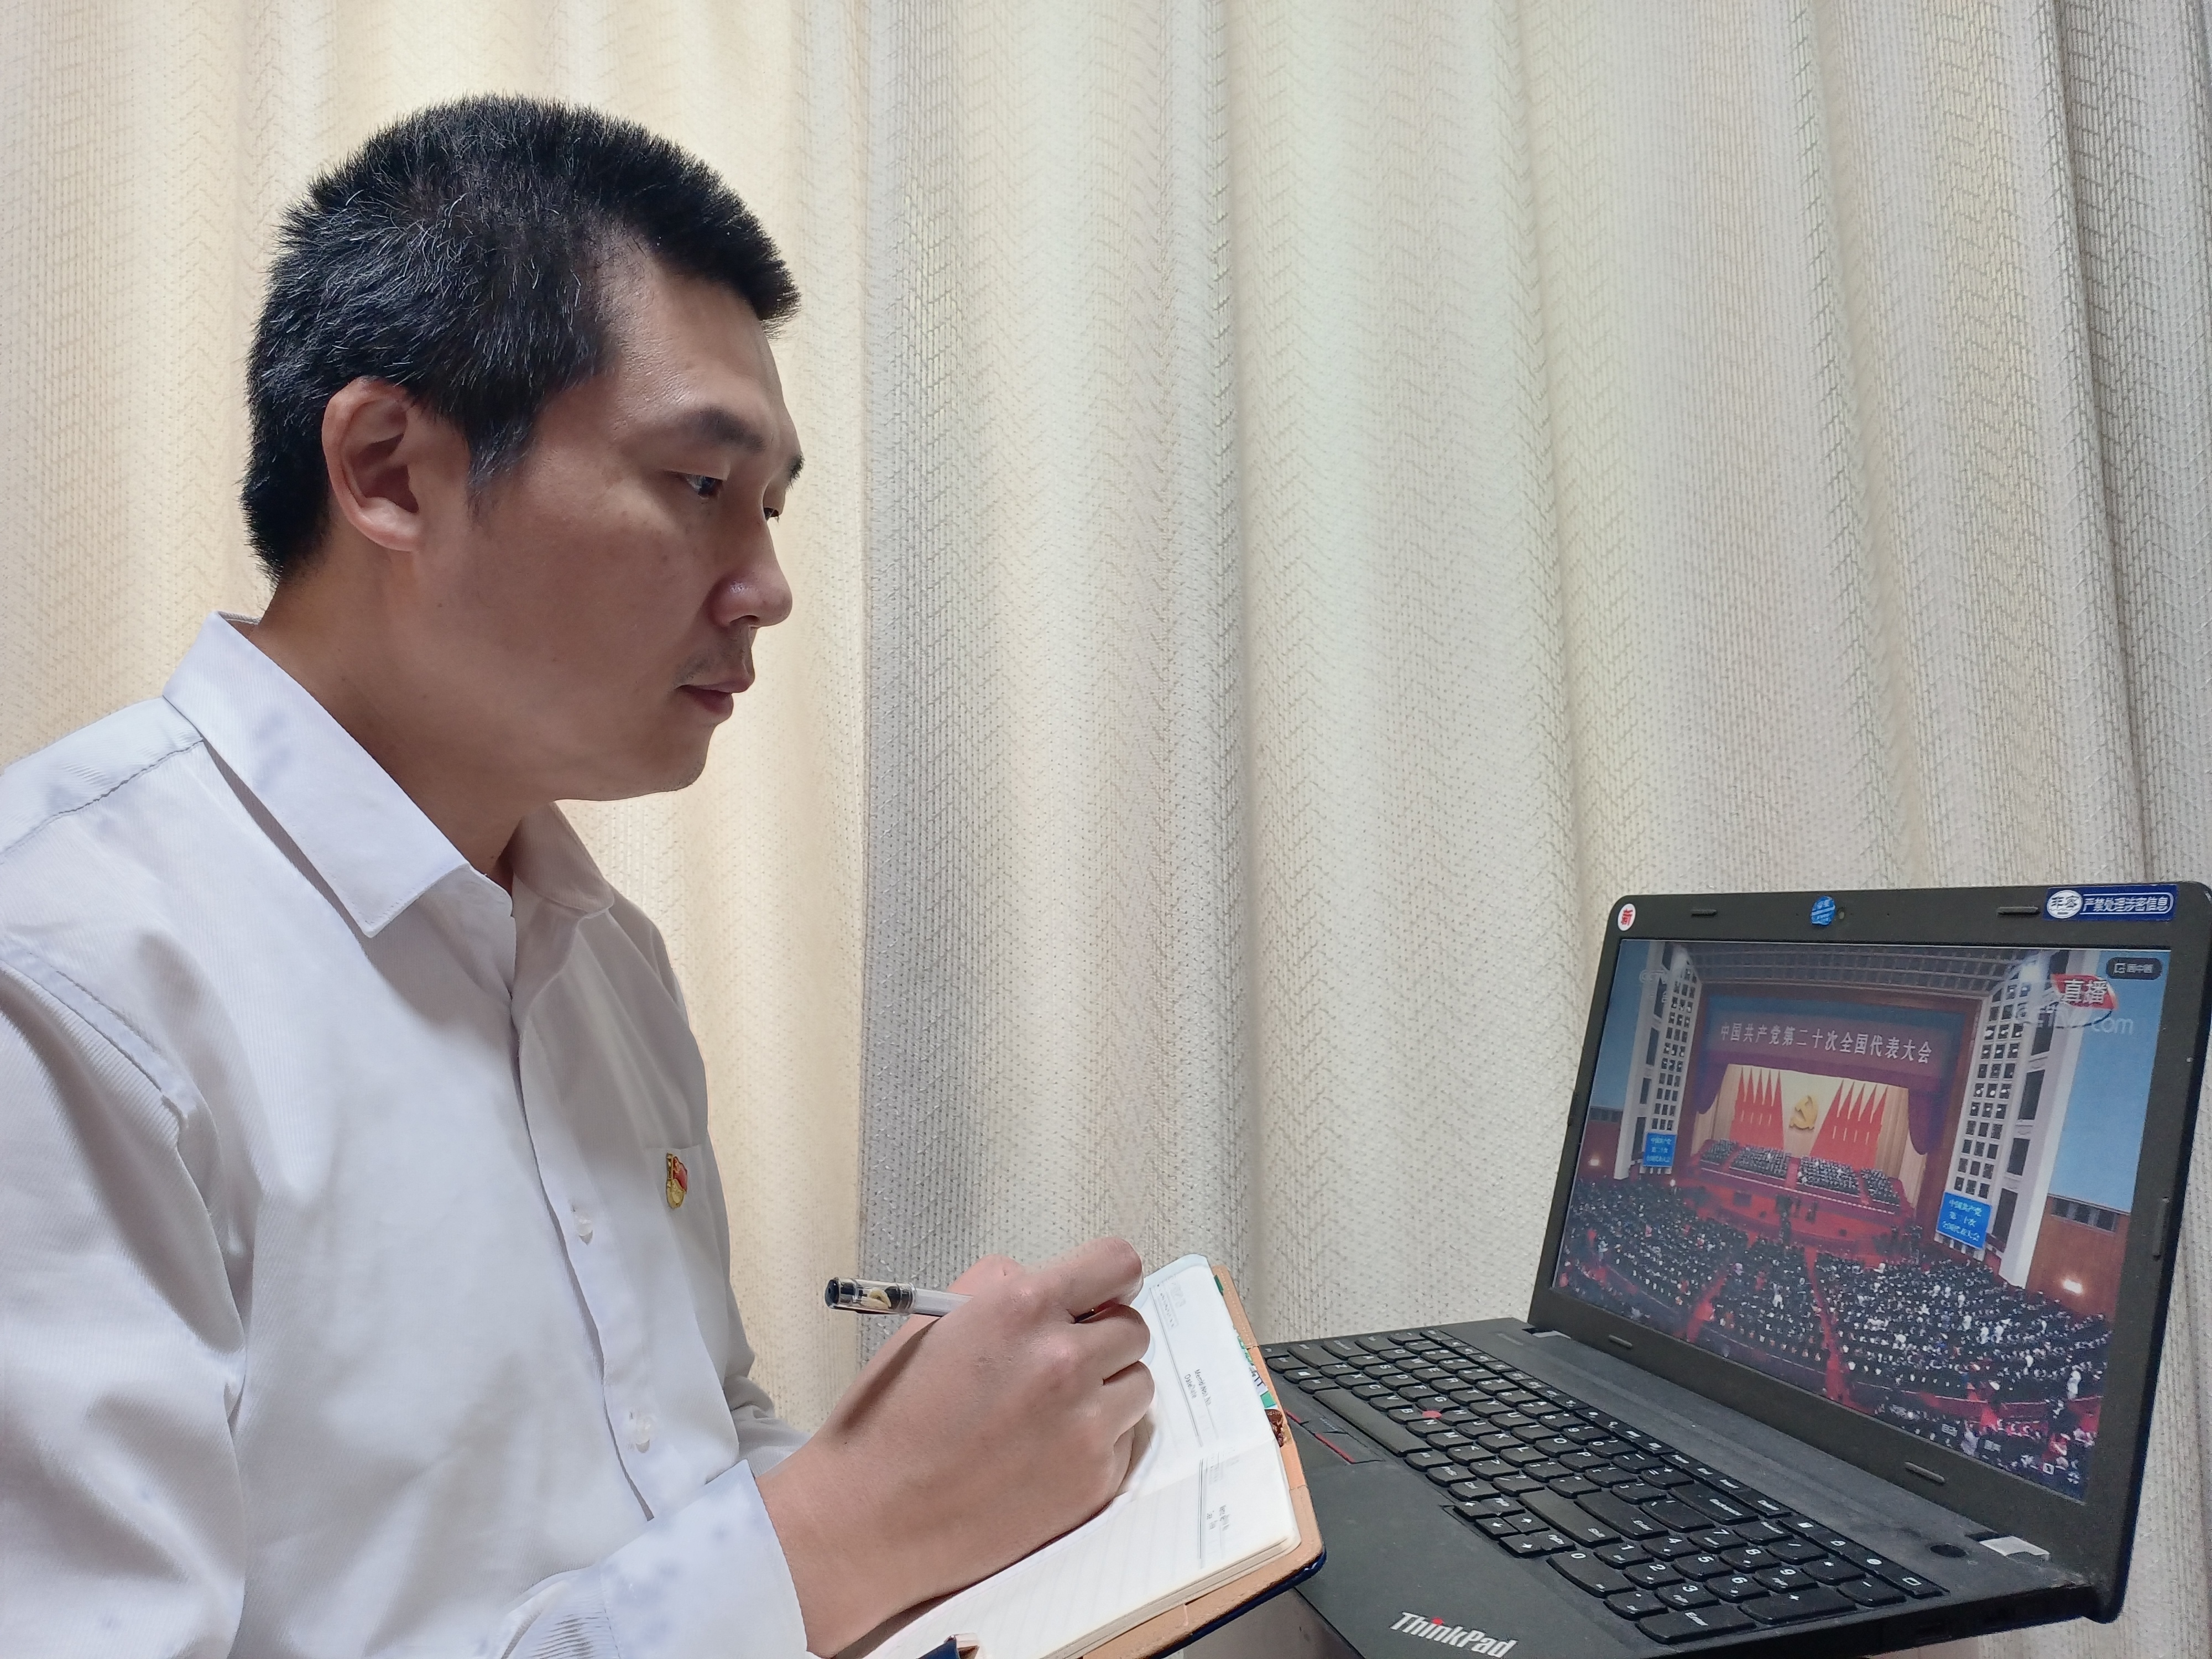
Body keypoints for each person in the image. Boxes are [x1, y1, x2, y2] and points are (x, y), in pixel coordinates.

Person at [0, 97, 1154, 1659]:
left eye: (772, 507)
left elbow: (680, 1454)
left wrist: (904, 1489)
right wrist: (847, 1527)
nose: (769, 588)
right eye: (700, 485)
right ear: (390, 471)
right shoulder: (62, 976)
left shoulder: (600, 958)